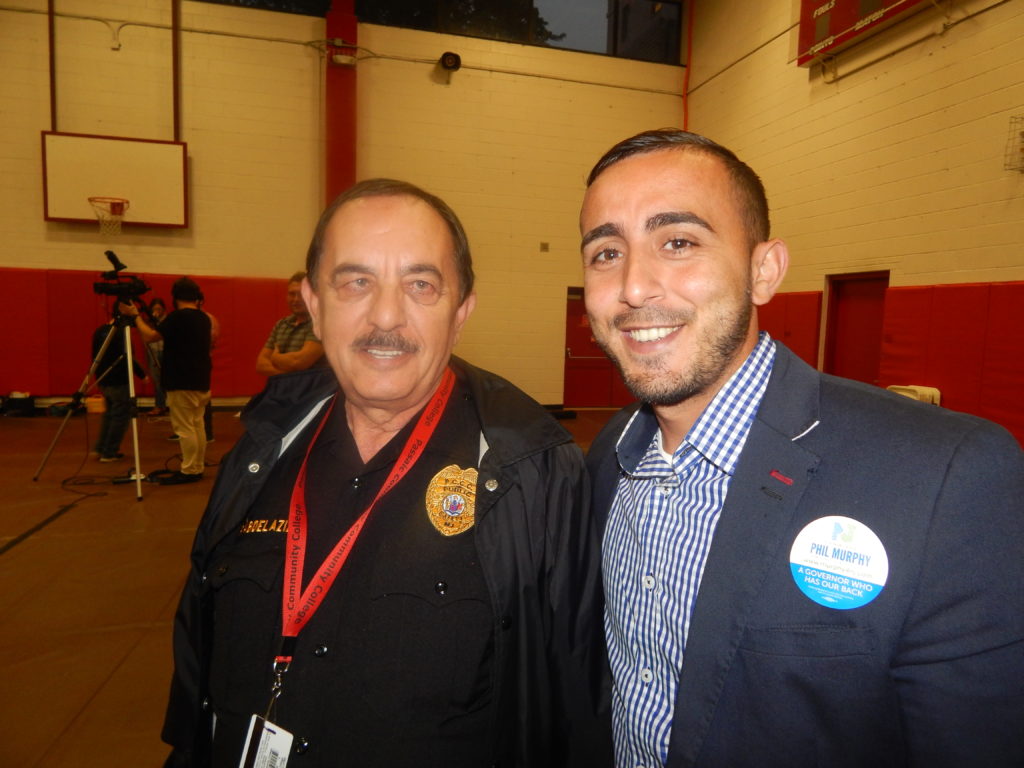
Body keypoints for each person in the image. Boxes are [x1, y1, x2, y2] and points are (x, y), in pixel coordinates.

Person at [580, 129, 1024, 768]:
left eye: (678, 242)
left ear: (764, 271)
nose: (634, 287)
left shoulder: (948, 479)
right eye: (605, 253)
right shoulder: (608, 458)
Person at [160, 179, 611, 767]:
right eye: (356, 282)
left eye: (421, 285)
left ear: (461, 313)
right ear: (315, 306)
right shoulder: (260, 451)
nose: (386, 315)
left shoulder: (533, 472)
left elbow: (572, 706)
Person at [122, 277, 212, 485]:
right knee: (197, 425)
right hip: (201, 380)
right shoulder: (203, 318)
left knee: (184, 428)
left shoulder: (177, 317)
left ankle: (189, 470)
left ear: (175, 297)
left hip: (181, 381)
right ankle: (196, 466)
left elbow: (150, 336)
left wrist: (135, 316)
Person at [91, 306, 146, 461]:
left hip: (104, 380)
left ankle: (100, 448)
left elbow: (95, 358)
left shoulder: (99, 331)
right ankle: (109, 452)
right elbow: (128, 357)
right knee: (120, 416)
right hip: (119, 381)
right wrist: (142, 375)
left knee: (109, 415)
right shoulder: (122, 334)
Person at [255, 270, 324, 377]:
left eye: (301, 294)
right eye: (292, 294)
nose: (296, 299)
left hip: (310, 391)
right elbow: (261, 364)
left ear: (312, 296)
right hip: (281, 390)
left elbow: (299, 361)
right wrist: (286, 377)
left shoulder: (320, 324)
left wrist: (275, 357)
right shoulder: (281, 325)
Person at [145, 297, 168, 416]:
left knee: (168, 380)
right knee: (157, 381)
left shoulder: (168, 321)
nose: (157, 311)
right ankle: (159, 406)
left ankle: (166, 405)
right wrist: (152, 320)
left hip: (166, 352)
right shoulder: (149, 322)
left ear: (163, 309)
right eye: (154, 309)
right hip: (153, 352)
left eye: (159, 309)